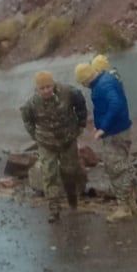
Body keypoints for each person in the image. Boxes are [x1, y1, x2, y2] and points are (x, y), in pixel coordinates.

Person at [19, 70, 87, 223]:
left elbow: (80, 104)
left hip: (68, 139)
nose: (46, 91)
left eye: (48, 87)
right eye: (42, 89)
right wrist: (35, 136)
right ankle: (54, 209)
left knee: (70, 170)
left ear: (53, 84)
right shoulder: (32, 103)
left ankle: (72, 198)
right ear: (37, 89)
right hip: (46, 143)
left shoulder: (68, 92)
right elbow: (27, 120)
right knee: (49, 175)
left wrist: (81, 124)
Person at [75, 61, 137, 222]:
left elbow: (115, 103)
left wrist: (103, 127)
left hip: (114, 133)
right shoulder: (106, 79)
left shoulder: (102, 85)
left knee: (116, 168)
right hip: (120, 130)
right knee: (123, 165)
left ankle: (124, 207)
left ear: (85, 79)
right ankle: (131, 202)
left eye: (83, 82)